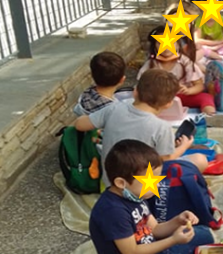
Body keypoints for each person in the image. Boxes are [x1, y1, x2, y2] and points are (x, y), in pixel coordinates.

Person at [89, 139, 214, 254]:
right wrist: (173, 240)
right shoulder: (113, 211)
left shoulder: (135, 194)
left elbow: (155, 229)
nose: (156, 185)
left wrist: (178, 220)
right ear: (121, 183)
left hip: (150, 246)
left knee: (204, 233)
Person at [74, 69, 208, 187]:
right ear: (168, 104)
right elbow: (166, 159)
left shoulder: (115, 107)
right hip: (143, 188)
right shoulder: (162, 127)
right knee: (200, 159)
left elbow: (80, 125)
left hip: (110, 184)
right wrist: (183, 147)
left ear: (135, 92)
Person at [139, 32, 223, 125]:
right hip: (159, 98)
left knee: (206, 97)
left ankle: (211, 116)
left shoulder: (185, 62)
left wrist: (188, 91)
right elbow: (140, 86)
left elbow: (199, 86)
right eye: (160, 42)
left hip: (182, 96)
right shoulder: (151, 64)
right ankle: (145, 117)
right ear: (154, 46)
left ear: (178, 45)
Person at [74, 52, 127, 116]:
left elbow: (76, 110)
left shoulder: (85, 95)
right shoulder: (116, 111)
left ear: (92, 75)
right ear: (122, 80)